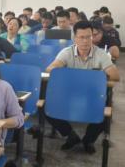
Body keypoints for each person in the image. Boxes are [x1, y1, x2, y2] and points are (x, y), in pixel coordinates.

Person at [46, 20, 120, 153]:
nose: (85, 41)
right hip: (69, 94)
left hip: (92, 95)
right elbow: (50, 70)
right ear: (75, 38)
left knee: (106, 114)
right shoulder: (67, 52)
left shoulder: (100, 54)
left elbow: (115, 76)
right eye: (81, 37)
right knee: (47, 108)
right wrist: (75, 76)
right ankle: (70, 135)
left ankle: (88, 140)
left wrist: (96, 77)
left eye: (89, 37)